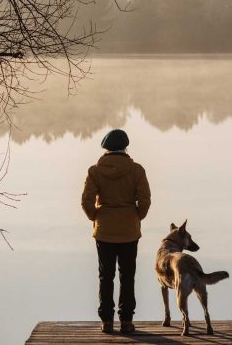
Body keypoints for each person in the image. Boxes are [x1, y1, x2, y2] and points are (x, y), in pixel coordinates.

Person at [81, 128, 151, 334]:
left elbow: (86, 200)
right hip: (129, 229)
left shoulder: (94, 171)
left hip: (104, 230)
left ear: (106, 149)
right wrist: (137, 216)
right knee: (128, 275)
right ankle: (127, 321)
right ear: (125, 147)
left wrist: (95, 217)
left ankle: (107, 321)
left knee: (106, 276)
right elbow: (145, 199)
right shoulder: (137, 170)